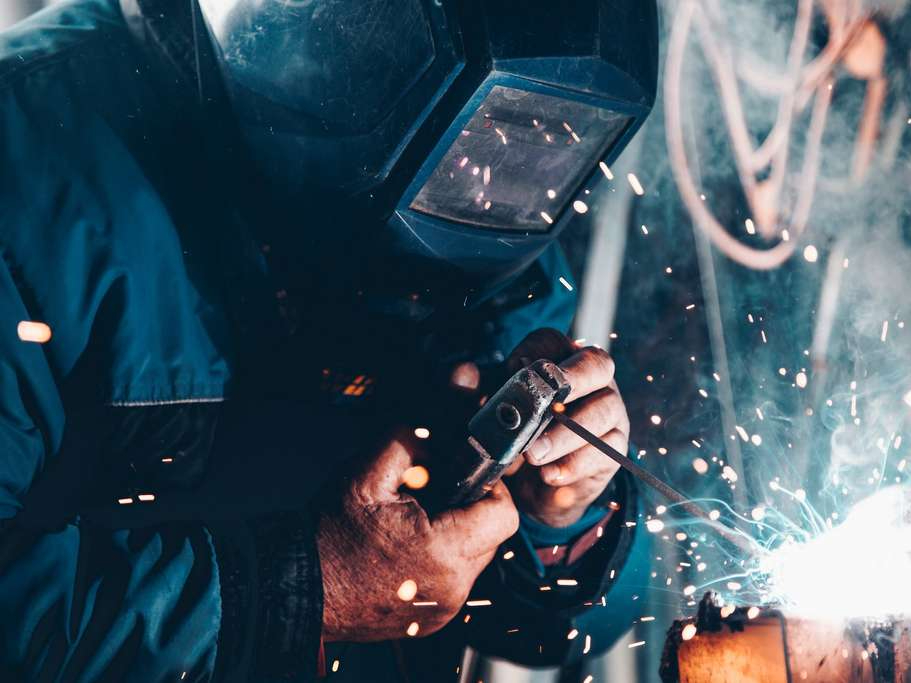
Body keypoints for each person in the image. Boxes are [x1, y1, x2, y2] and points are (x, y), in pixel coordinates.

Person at [0, 0, 658, 680]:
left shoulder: (489, 194)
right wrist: (297, 591)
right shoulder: (27, 169)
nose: (492, 171)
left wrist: (563, 518)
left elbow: (550, 634)